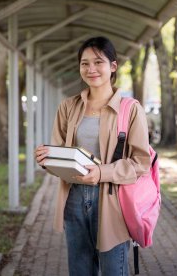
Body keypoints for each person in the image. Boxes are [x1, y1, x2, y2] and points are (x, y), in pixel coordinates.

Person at [35, 36, 151, 276]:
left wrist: (102, 172)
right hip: (74, 198)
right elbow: (60, 152)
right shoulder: (68, 106)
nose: (91, 69)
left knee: (113, 270)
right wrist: (47, 158)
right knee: (80, 270)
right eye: (84, 63)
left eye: (98, 62)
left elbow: (141, 162)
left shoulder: (130, 109)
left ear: (113, 66)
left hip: (113, 200)